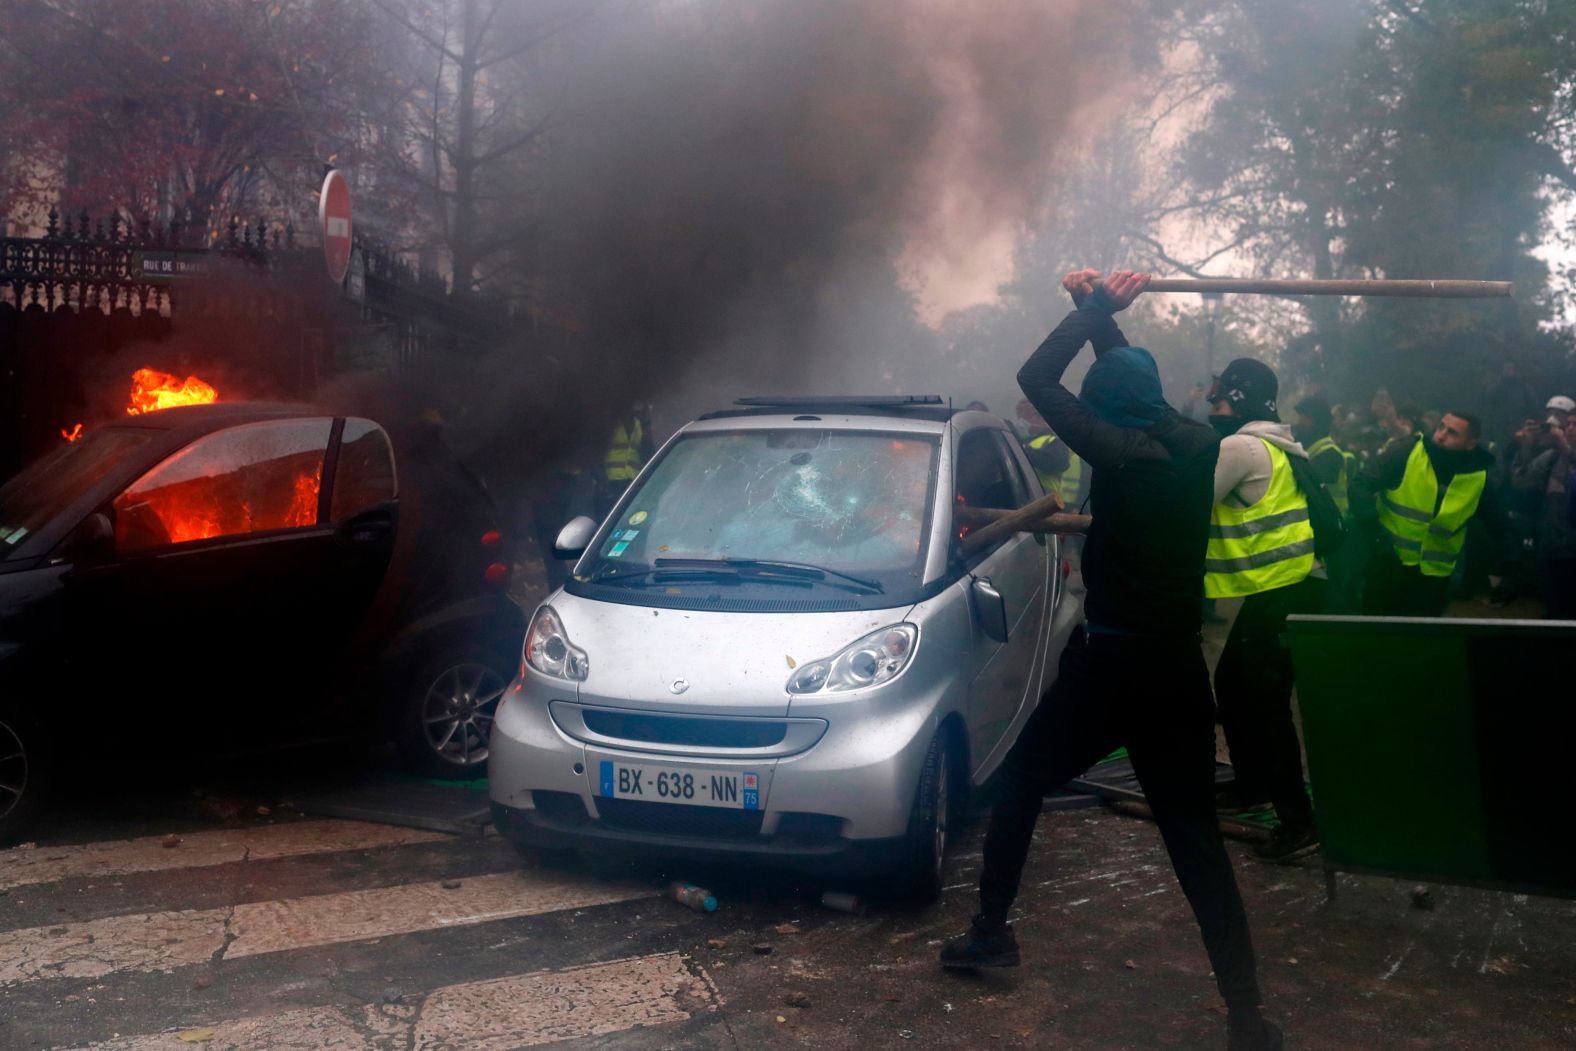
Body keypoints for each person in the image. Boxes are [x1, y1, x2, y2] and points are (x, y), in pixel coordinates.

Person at [941, 269, 1283, 1051]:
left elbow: (1034, 379)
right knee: (1194, 838)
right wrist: (1102, 316)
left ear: (1100, 410)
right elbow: (1130, 380)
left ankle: (991, 930)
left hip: (1110, 669)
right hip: (1177, 673)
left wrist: (1094, 309)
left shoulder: (1115, 450)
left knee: (1022, 779)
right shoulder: (1198, 442)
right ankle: (1247, 1013)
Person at [1207, 360, 1323, 861]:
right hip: (1285, 590)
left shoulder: (1239, 447)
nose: (1211, 408)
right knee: (1234, 688)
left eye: (1218, 399)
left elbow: (1185, 502)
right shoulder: (1281, 444)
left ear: (1240, 398)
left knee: (1268, 709)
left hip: (1277, 594)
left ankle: (1300, 823)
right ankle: (1253, 784)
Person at [1354, 409, 1504, 616]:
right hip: (1389, 565)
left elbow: (1499, 525)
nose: (1441, 435)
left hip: (1434, 578)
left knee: (1421, 641)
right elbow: (1359, 486)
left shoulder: (1479, 477)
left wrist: (1512, 568)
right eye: (1440, 427)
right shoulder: (1407, 452)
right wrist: (1376, 538)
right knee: (1376, 638)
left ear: (1471, 443)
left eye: (1452, 433)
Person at [1294, 395, 1361, 611]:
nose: (1299, 423)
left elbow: (1308, 484)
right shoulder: (1312, 450)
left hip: (1334, 532)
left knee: (1334, 588)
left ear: (1313, 420)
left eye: (1303, 417)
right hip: (1323, 529)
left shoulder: (1328, 453)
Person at [1511, 413, 1576, 618]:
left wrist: (1569, 451)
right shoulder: (1553, 456)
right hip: (1553, 543)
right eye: (1568, 425)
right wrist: (1528, 446)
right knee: (1554, 608)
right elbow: (1521, 481)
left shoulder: (1564, 453)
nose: (1570, 429)